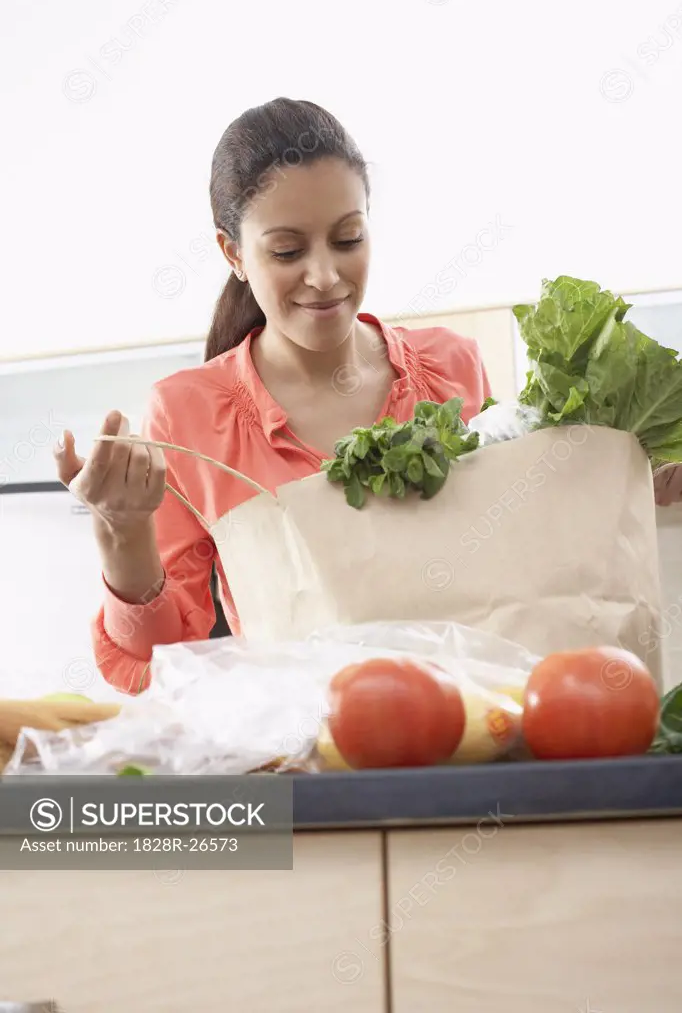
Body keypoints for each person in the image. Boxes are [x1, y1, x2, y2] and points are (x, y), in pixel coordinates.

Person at [53, 97, 681, 696]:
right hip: (312, 762)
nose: (325, 277)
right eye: (288, 251)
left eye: (348, 239)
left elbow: (523, 549)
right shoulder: (187, 413)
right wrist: (124, 533)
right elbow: (164, 665)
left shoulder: (449, 365)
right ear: (232, 253)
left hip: (477, 720)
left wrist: (618, 482)